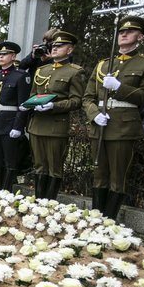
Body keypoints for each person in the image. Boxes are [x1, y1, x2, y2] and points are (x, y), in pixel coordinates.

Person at [82, 16, 144, 219]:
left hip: (123, 128)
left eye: (130, 31)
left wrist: (119, 88)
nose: (123, 34)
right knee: (99, 177)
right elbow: (87, 97)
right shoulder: (103, 65)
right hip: (100, 126)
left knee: (118, 178)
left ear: (140, 37)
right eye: (121, 31)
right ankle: (97, 220)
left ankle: (110, 223)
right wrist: (94, 115)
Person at [25, 31, 86, 199]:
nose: (54, 48)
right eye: (53, 46)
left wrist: (54, 105)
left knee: (54, 168)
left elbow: (77, 101)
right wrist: (28, 105)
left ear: (70, 50)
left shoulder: (75, 72)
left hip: (56, 125)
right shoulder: (42, 70)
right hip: (37, 124)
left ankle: (49, 205)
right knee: (39, 166)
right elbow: (33, 94)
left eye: (60, 46)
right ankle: (38, 203)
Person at [0, 41, 31, 191]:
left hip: (10, 124)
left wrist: (18, 126)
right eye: (0, 54)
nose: (1, 56)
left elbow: (23, 105)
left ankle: (6, 191)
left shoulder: (20, 76)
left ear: (13, 56)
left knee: (10, 160)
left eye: (5, 54)